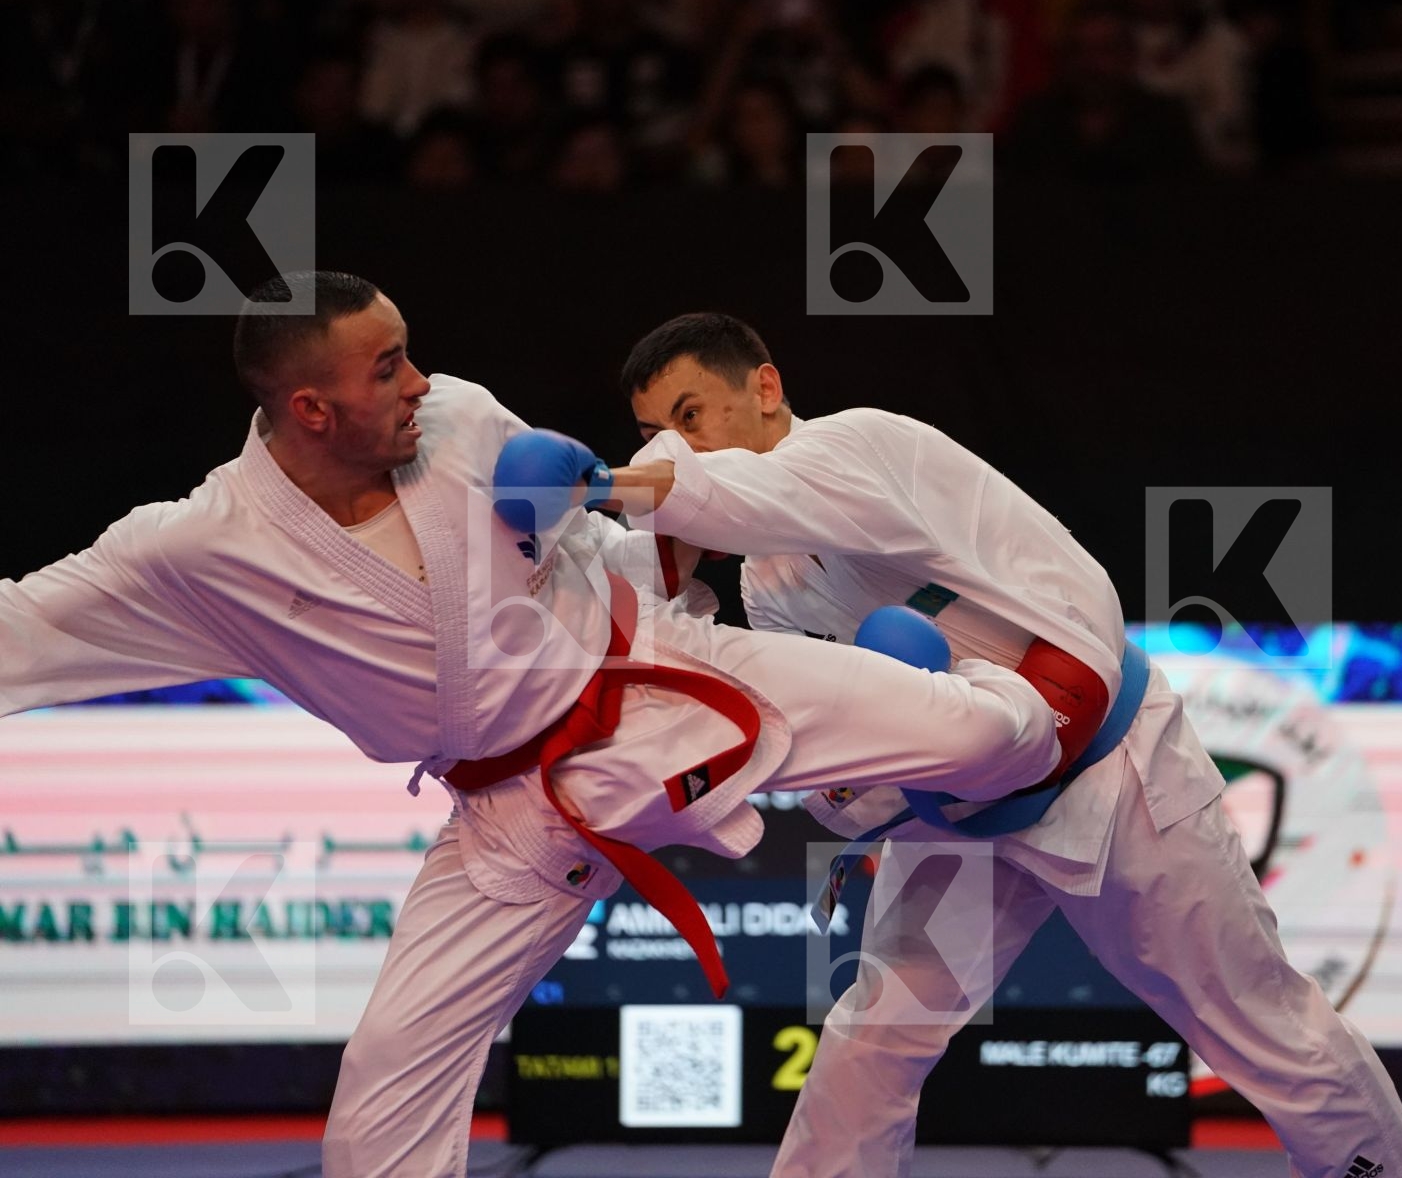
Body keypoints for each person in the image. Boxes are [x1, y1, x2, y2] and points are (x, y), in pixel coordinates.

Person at [0, 273, 1063, 1177]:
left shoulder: (457, 420)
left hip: (662, 680)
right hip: (520, 817)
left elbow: (590, 536)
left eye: (409, 353)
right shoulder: (196, 554)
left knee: (976, 733)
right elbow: (24, 626)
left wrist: (609, 522)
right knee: (380, 1100)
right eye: (386, 369)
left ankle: (1023, 723)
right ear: (310, 409)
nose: (421, 381)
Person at [606, 312, 1402, 1178]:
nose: (677, 445)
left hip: (1111, 774)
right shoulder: (764, 577)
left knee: (1257, 1022)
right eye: (656, 433)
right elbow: (829, 744)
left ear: (766, 390)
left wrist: (592, 489)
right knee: (873, 1037)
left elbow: (719, 494)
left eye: (691, 417)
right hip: (961, 815)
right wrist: (872, 801)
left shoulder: (861, 446)